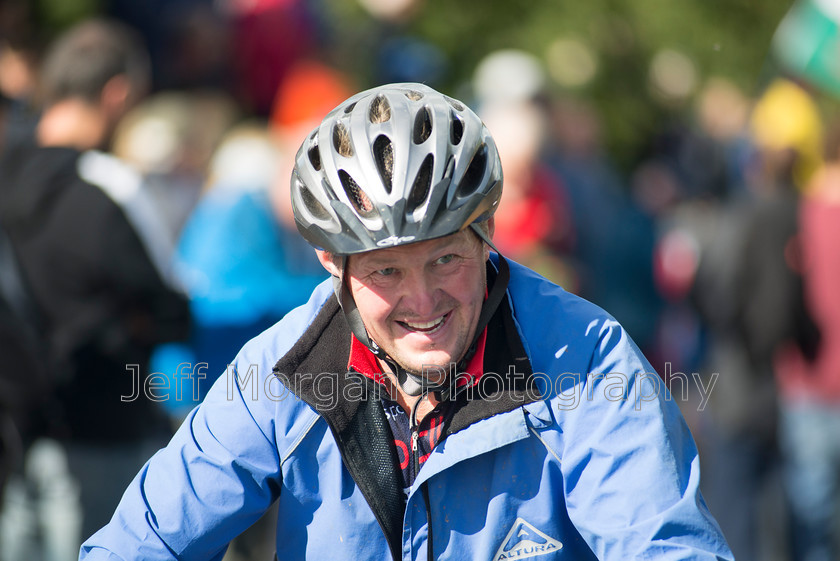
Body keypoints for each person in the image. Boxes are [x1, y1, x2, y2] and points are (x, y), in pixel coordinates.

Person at [80, 83, 732, 560]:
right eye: (385, 271)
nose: (422, 301)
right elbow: (141, 541)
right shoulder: (283, 368)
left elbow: (666, 544)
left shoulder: (585, 356)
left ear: (487, 239)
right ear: (330, 263)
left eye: (446, 257)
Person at [0, 19, 190, 560]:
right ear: (118, 93)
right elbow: (173, 309)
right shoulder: (109, 185)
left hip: (18, 435)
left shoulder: (5, 174)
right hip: (107, 432)